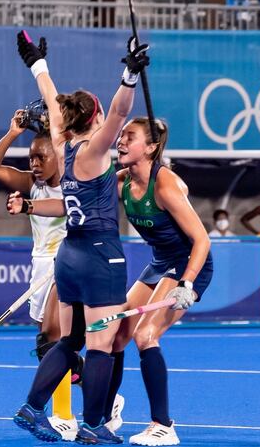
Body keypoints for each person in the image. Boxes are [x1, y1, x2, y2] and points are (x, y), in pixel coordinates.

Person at [7, 30, 148, 444]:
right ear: (94, 118)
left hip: (68, 256)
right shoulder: (93, 150)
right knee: (101, 345)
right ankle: (93, 425)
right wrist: (130, 76)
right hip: (100, 255)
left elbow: (51, 98)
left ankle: (32, 407)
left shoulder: (62, 144)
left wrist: (38, 64)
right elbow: (120, 112)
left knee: (70, 340)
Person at [107, 118, 213, 446]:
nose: (121, 141)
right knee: (115, 336)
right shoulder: (121, 182)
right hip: (159, 263)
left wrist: (187, 283)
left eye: (130, 137)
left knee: (145, 335)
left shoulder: (165, 185)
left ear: (151, 147)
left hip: (188, 264)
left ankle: (163, 425)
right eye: (121, 135)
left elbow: (202, 240)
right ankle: (107, 411)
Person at [0, 106, 79, 440]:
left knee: (54, 336)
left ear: (57, 156)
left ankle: (64, 416)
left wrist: (27, 206)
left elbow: (63, 203)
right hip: (39, 265)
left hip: (65, 263)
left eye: (41, 157)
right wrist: (13, 134)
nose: (34, 163)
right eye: (31, 158)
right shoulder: (30, 184)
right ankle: (103, 393)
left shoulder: (73, 184)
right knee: (46, 345)